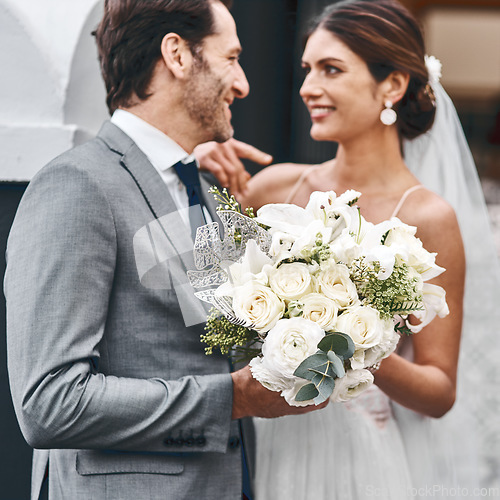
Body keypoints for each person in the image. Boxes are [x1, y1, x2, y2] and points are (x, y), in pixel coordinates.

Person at [4, 1, 326, 499]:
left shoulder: (209, 192)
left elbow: (214, 347)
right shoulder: (77, 186)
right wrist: (232, 398)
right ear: (177, 55)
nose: (242, 84)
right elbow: (51, 402)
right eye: (231, 58)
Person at [197, 0, 500, 497]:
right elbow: (205, 294)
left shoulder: (428, 217)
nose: (308, 87)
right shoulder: (274, 190)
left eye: (331, 69)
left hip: (359, 461)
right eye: (307, 69)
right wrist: (197, 168)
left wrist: (354, 342)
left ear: (393, 86)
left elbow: (440, 391)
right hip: (262, 441)